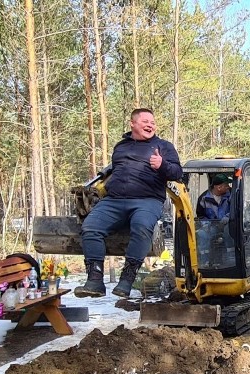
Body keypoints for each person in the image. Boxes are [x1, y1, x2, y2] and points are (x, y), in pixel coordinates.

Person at [76, 108, 183, 298]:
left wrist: (162, 165)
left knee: (141, 226)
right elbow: (114, 172)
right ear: (132, 123)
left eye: (153, 122)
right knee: (90, 227)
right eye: (145, 121)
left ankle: (126, 280)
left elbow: (177, 173)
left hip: (147, 200)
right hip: (114, 200)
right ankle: (95, 280)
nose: (150, 125)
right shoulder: (121, 147)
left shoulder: (164, 147)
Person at [195, 174, 233, 267]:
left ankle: (231, 260)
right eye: (226, 185)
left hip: (228, 224)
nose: (228, 187)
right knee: (202, 234)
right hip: (212, 226)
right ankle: (205, 263)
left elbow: (236, 208)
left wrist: (228, 217)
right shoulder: (203, 198)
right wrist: (206, 224)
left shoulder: (231, 194)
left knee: (229, 232)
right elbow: (201, 215)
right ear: (219, 187)